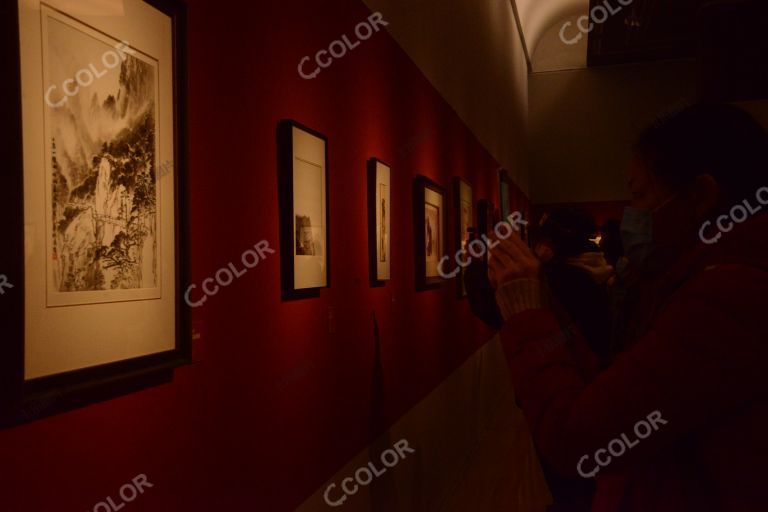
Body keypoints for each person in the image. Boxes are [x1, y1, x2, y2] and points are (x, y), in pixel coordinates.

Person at [488, 103, 768, 511]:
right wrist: (546, 304)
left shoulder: (728, 296)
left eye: (639, 195)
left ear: (702, 196)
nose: (629, 214)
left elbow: (577, 439)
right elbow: (613, 389)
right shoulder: (700, 280)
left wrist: (527, 316)